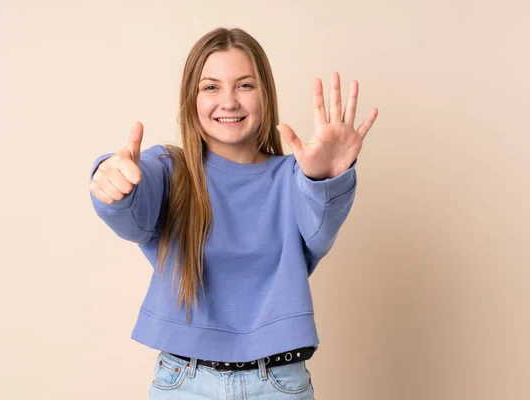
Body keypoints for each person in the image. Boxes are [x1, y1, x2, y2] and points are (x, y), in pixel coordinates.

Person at [88, 27, 377, 399]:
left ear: (265, 94)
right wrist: (109, 180)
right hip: (184, 382)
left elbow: (320, 229)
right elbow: (130, 208)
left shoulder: (296, 177)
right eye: (211, 87)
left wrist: (325, 179)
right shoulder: (169, 168)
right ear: (191, 98)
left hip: (278, 384)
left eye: (244, 85)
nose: (229, 102)